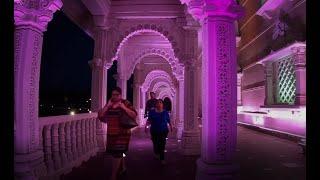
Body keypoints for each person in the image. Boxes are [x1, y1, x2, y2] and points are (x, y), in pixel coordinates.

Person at [98, 87, 137, 180]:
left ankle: (113, 175)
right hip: (111, 132)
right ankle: (123, 168)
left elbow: (134, 114)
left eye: (116, 94)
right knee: (116, 152)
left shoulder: (126, 103)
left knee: (117, 152)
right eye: (113, 94)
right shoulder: (110, 104)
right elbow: (100, 116)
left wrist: (123, 107)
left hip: (123, 133)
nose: (114, 96)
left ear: (120, 95)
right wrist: (107, 106)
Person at [144, 99, 173, 165]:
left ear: (162, 104)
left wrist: (171, 126)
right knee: (155, 143)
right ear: (156, 104)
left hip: (163, 130)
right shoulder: (152, 112)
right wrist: (146, 127)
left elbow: (168, 120)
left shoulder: (165, 112)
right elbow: (149, 120)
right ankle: (156, 152)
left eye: (160, 103)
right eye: (158, 103)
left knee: (162, 144)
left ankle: (162, 158)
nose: (159, 104)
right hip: (154, 131)